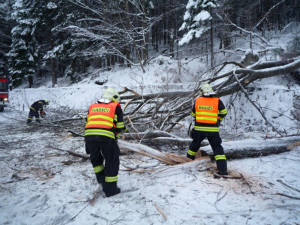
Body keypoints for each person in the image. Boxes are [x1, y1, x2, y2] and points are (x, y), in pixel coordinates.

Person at [85, 87, 127, 197]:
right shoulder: (115, 106)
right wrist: (115, 137)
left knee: (96, 159)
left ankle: (101, 180)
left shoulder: (93, 107)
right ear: (114, 98)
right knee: (112, 160)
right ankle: (110, 189)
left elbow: (90, 121)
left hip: (89, 137)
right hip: (106, 137)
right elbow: (119, 126)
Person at [186, 83, 228, 175]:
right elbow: (224, 112)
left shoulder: (198, 100)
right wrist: (218, 119)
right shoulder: (217, 101)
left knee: (194, 146)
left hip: (199, 129)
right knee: (217, 149)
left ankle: (187, 164)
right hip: (213, 130)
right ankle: (223, 170)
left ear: (202, 92)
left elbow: (193, 114)